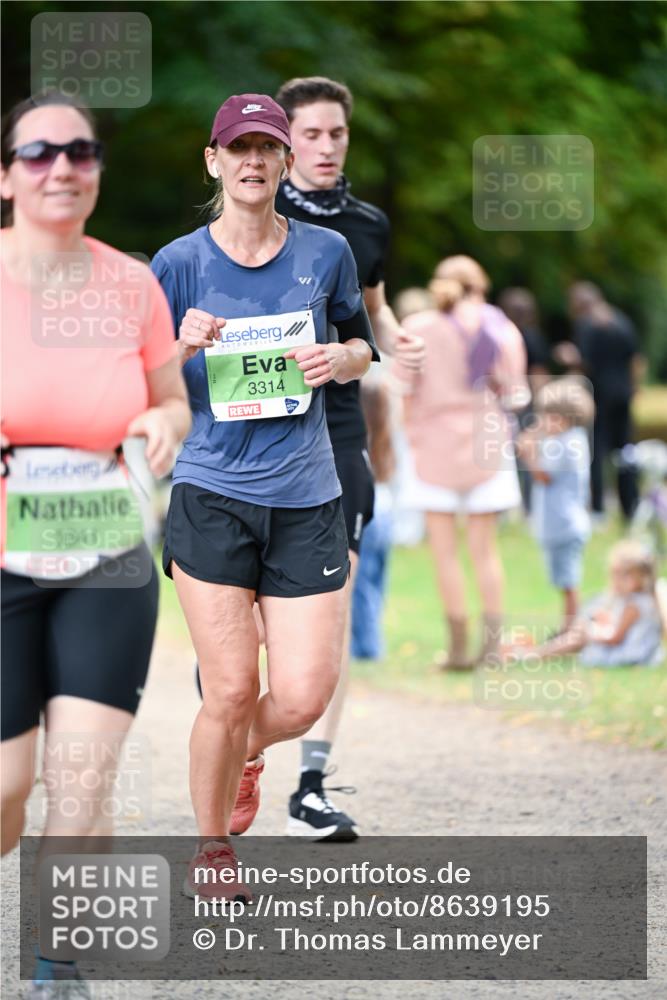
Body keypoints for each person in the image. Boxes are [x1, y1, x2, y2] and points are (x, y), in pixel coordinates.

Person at [151, 94, 376, 886]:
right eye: (237, 147)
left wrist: (345, 361)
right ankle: (213, 850)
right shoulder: (176, 264)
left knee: (304, 696)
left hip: (308, 494)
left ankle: (241, 754)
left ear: (284, 163)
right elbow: (138, 383)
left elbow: (359, 341)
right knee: (234, 685)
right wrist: (178, 347)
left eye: (266, 148)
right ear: (213, 161)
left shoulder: (326, 253)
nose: (253, 160)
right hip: (212, 491)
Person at [0, 92, 190, 997]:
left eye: (80, 152)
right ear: (7, 176)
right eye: (38, 154)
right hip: (1, 555)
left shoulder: (132, 284)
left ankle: (54, 966)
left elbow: (173, 401)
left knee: (80, 772)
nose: (62, 168)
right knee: (8, 783)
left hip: (107, 544)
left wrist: (160, 419)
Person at [273, 76, 424, 840]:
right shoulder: (252, 208)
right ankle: (238, 733)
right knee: (256, 626)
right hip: (256, 432)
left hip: (336, 431)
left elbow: (373, 305)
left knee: (332, 611)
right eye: (313, 134)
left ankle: (310, 783)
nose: (327, 147)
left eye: (338, 134)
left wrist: (400, 339)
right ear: (284, 138)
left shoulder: (366, 224)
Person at [397, 255, 528, 668]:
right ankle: (491, 647)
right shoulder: (499, 327)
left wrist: (410, 433)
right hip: (485, 444)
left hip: (432, 445)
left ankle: (456, 649)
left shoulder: (417, 328)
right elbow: (517, 393)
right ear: (480, 285)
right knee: (485, 552)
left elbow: (402, 387)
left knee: (444, 553)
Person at [555, 282, 641, 520]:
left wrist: (569, 357)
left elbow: (585, 363)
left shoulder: (586, 325)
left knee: (596, 453)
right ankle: (630, 506)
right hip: (623, 394)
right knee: (626, 451)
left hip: (599, 394)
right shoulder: (621, 320)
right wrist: (633, 388)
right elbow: (635, 360)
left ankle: (598, 508)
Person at [516, 378, 594, 631]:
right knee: (563, 581)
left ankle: (570, 630)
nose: (546, 422)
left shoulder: (567, 444)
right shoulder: (567, 439)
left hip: (565, 524)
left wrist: (528, 456)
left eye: (552, 417)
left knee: (568, 581)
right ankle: (568, 627)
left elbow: (543, 476)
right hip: (559, 523)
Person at [510, 540, 663, 667]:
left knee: (579, 637)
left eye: (619, 576)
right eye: (613, 574)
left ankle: (535, 655)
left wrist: (591, 635)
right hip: (636, 651)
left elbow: (616, 638)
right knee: (582, 631)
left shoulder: (635, 605)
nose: (614, 581)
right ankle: (538, 653)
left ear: (638, 579)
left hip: (629, 655)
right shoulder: (645, 599)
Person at [350, 376, 396, 660]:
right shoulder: (385, 437)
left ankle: (366, 646)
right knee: (377, 582)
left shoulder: (356, 439)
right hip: (386, 510)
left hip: (366, 512)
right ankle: (372, 639)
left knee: (360, 584)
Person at [497, 287, 551, 513]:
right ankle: (528, 507)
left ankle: (506, 507)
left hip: (502, 401)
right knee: (528, 453)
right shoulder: (531, 337)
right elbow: (539, 374)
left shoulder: (498, 335)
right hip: (524, 400)